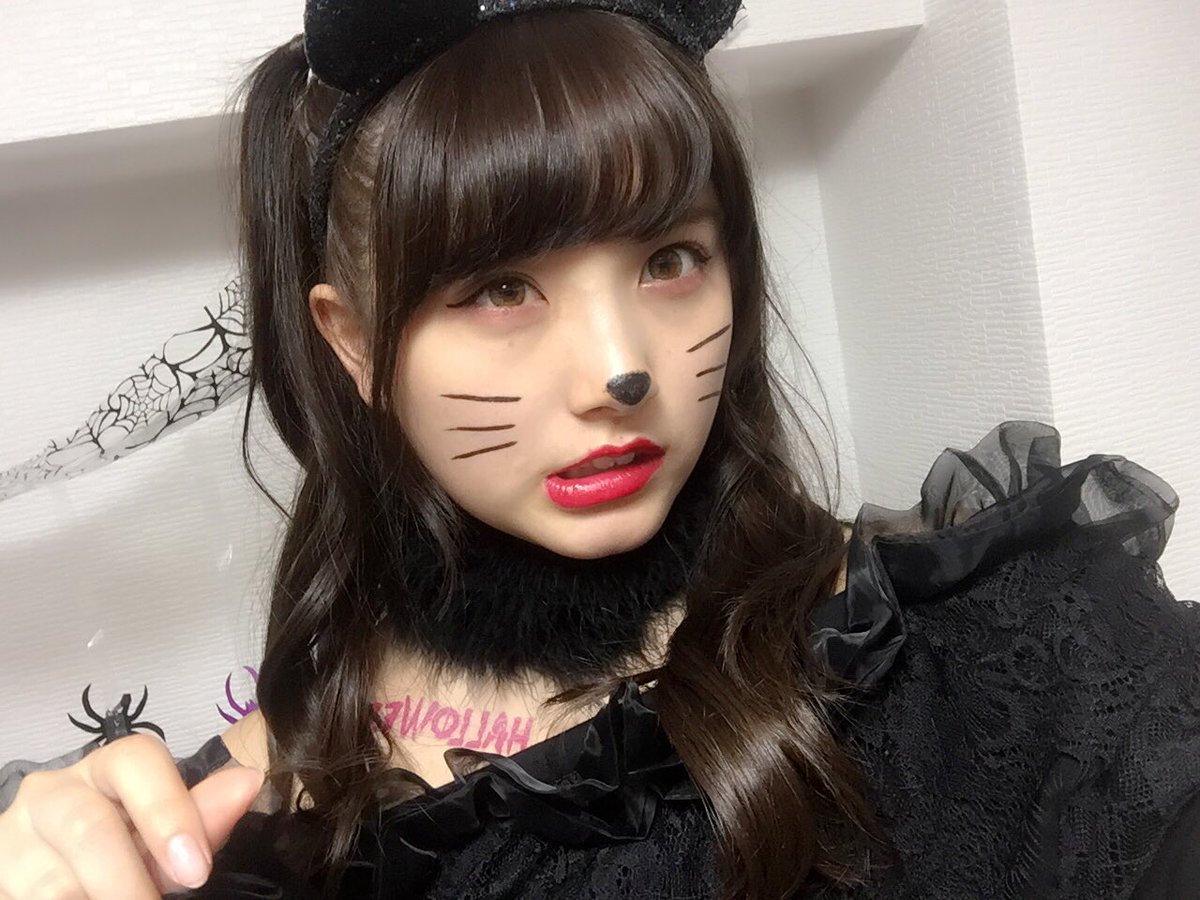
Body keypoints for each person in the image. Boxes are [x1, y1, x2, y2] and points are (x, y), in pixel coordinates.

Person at [1, 2, 1198, 898]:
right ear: (353, 343)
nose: (621, 372)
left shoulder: (1001, 653)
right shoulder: (231, 832)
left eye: (671, 259)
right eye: (500, 288)